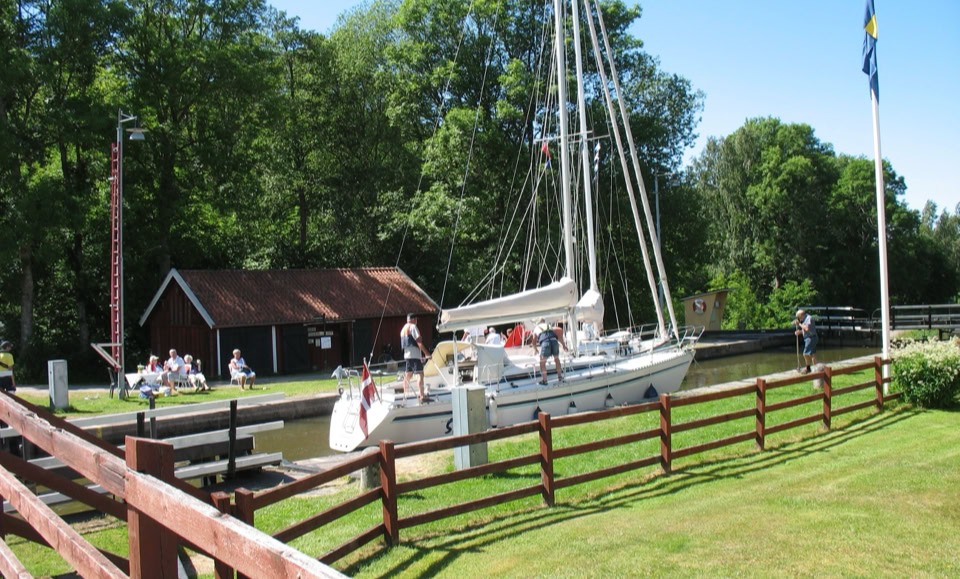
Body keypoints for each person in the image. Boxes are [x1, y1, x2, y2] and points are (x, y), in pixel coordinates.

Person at [400, 313, 431, 404]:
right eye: (416, 319)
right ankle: (422, 396)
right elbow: (419, 342)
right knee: (420, 374)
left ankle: (405, 395)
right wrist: (427, 353)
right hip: (415, 355)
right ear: (414, 319)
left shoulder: (403, 329)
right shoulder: (413, 327)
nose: (417, 321)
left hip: (407, 355)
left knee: (408, 376)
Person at [534, 317, 563, 385]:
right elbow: (558, 336)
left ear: (537, 323)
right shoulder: (549, 326)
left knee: (542, 362)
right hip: (554, 341)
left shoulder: (536, 328)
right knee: (556, 359)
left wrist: (535, 349)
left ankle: (545, 380)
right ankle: (560, 377)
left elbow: (534, 340)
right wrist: (564, 345)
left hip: (546, 342)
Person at [795, 309, 818, 374]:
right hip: (810, 337)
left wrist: (799, 324)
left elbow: (807, 328)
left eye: (799, 317)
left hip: (811, 338)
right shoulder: (805, 319)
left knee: (805, 354)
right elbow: (807, 330)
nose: (799, 319)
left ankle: (808, 368)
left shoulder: (808, 318)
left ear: (801, 315)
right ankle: (815, 368)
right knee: (812, 354)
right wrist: (799, 332)